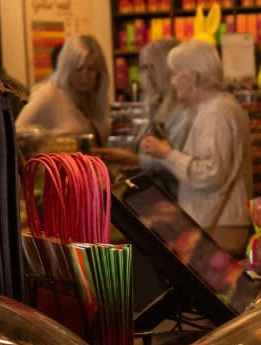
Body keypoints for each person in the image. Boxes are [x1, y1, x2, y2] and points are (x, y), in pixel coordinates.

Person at [141, 40, 253, 255]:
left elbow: (210, 173)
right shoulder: (218, 107)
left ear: (193, 77)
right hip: (220, 222)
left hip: (219, 226)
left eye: (176, 73)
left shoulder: (215, 112)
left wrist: (167, 154)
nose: (172, 81)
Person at [96, 38, 194, 194]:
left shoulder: (184, 112)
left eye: (153, 67)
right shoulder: (155, 104)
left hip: (175, 198)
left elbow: (180, 165)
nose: (148, 75)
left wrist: (134, 160)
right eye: (144, 68)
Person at [15, 34, 111, 144]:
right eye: (78, 69)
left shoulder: (94, 97)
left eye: (91, 69)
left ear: (99, 72)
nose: (85, 76)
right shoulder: (48, 94)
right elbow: (17, 135)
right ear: (67, 69)